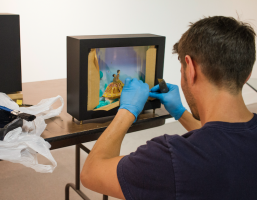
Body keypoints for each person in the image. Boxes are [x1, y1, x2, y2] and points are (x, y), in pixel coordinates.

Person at [81, 16, 257, 200]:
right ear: (247, 74)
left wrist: (127, 111)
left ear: (191, 69)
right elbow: (223, 142)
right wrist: (181, 113)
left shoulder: (171, 159)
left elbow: (91, 173)